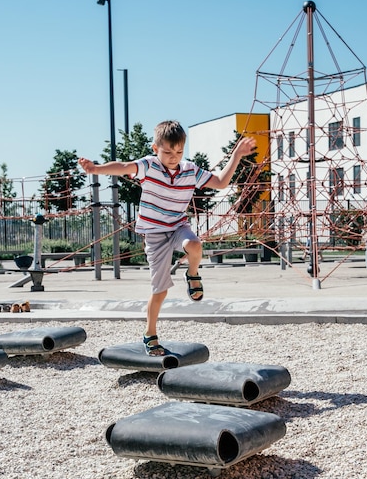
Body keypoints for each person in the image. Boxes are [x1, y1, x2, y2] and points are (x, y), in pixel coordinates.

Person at [79, 120, 256, 356]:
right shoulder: (149, 166)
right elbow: (123, 166)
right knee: (160, 291)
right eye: (168, 151)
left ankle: (192, 273)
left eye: (179, 151)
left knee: (194, 244)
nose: (174, 157)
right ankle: (150, 333)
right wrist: (96, 169)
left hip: (177, 226)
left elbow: (221, 182)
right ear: (155, 149)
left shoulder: (190, 170)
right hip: (154, 235)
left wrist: (237, 155)